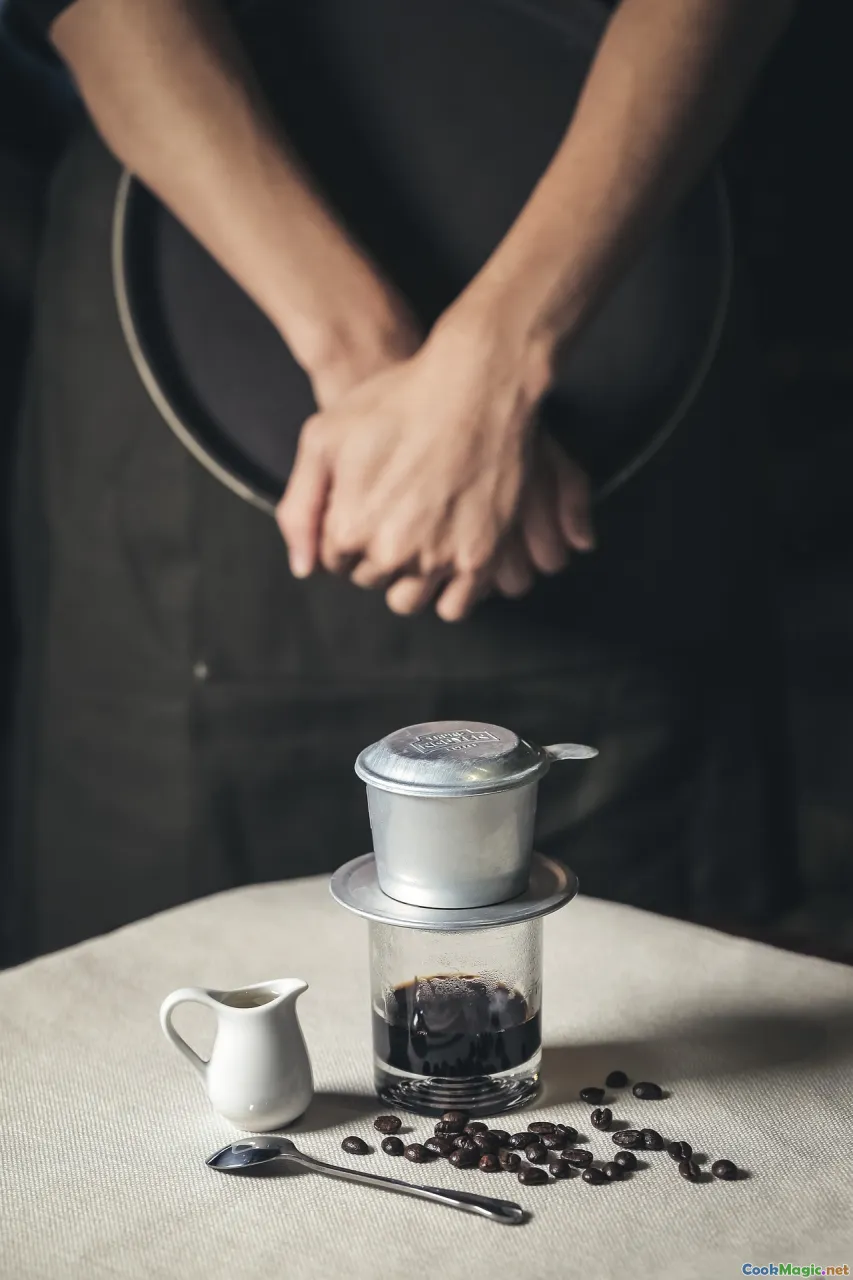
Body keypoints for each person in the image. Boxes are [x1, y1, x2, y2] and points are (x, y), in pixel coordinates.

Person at [5, 0, 797, 960]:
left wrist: (500, 357)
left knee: (670, 1015)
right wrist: (369, 365)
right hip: (187, 309)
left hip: (626, 295)